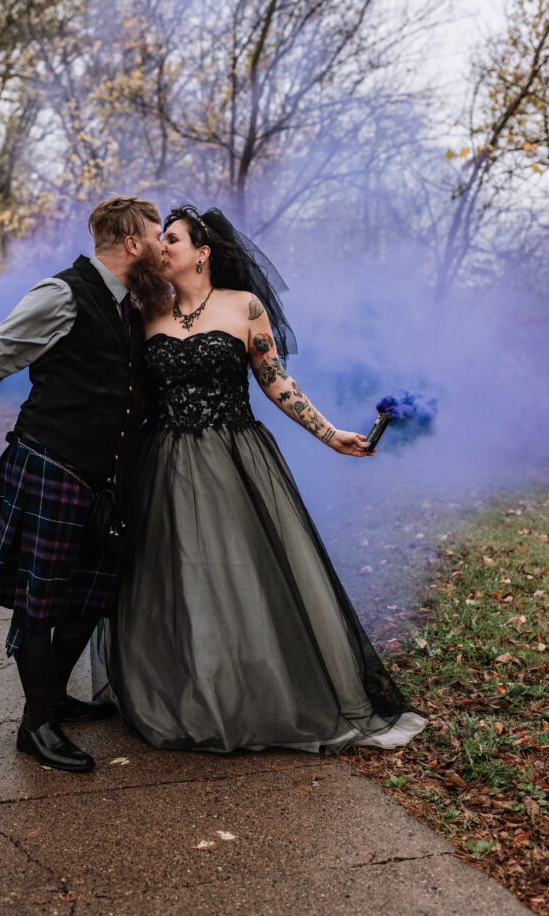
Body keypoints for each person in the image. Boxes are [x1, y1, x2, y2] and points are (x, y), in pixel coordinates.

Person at [103, 205, 429, 754]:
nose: (162, 247)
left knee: (240, 572)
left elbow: (276, 381)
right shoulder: (144, 311)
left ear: (202, 253)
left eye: (172, 239)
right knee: (171, 577)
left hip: (235, 458)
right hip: (163, 462)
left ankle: (255, 693)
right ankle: (186, 691)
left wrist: (330, 434)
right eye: (160, 240)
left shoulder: (243, 307)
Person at [0, 196, 168, 773]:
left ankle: (51, 697)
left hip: (104, 478)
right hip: (51, 464)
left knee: (92, 594)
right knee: (41, 599)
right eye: (157, 234)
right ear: (131, 244)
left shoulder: (133, 303)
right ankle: (37, 724)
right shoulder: (63, 293)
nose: (164, 244)